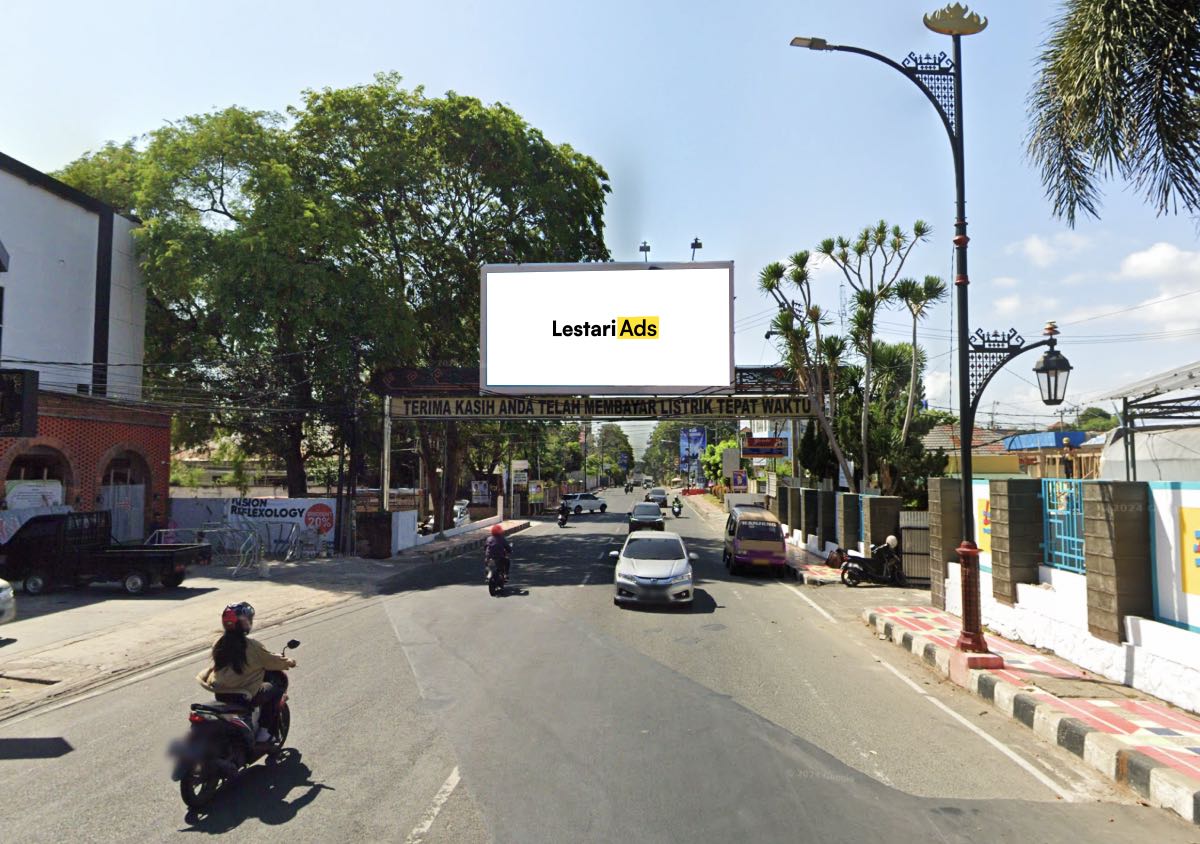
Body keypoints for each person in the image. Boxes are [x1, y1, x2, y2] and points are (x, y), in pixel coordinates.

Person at [196, 602, 295, 744]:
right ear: (245, 623)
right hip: (243, 694)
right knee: (276, 689)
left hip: (220, 692)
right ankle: (264, 732)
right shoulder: (253, 646)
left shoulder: (218, 642)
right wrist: (290, 662)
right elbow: (272, 661)